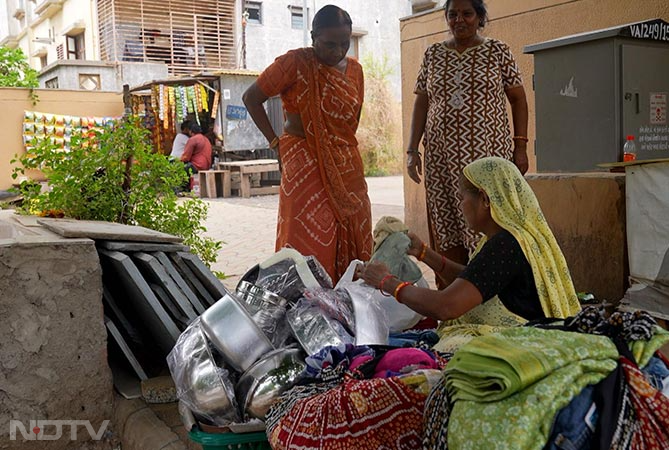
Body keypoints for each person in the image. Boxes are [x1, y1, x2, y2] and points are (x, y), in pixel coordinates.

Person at [359, 157, 581, 352]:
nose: (461, 206)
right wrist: (424, 253)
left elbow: (446, 306)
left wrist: (387, 282)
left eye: (462, 197)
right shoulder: (512, 238)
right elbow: (475, 282)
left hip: (518, 345)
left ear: (484, 199)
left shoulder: (506, 245)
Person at [242, 5, 372, 282]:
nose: (337, 51)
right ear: (313, 37)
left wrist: (335, 149)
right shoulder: (294, 63)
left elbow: (352, 120)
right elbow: (251, 98)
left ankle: (349, 307)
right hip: (304, 162)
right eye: (328, 44)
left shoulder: (356, 72)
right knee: (308, 241)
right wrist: (275, 142)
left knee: (354, 232)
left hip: (347, 164)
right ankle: (307, 307)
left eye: (344, 43)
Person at [407, 0, 529, 286]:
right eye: (452, 14)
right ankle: (450, 296)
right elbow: (422, 103)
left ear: (480, 17)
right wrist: (412, 150)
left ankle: (490, 294)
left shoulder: (498, 50)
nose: (459, 20)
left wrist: (520, 146)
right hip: (441, 161)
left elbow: (519, 99)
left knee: (488, 220)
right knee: (446, 220)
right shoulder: (433, 54)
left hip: (486, 159)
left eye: (467, 14)